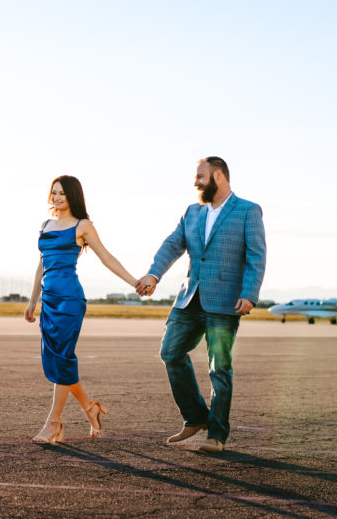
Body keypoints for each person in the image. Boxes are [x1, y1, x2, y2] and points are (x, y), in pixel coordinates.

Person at [135, 157, 266, 453]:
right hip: (189, 299)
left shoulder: (247, 210)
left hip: (226, 302)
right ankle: (195, 416)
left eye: (200, 176)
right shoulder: (192, 212)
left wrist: (250, 293)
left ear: (219, 175)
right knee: (170, 351)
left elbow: (257, 255)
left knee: (219, 367)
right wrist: (154, 274)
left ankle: (216, 435)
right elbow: (173, 245)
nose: (196, 182)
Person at [24, 175, 139, 444]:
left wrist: (134, 281)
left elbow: (106, 257)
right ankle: (91, 408)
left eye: (62, 193)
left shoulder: (83, 225)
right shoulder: (46, 224)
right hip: (49, 301)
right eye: (54, 192)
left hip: (69, 300)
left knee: (62, 358)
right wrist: (32, 301)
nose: (57, 197)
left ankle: (53, 424)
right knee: (57, 361)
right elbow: (42, 265)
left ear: (73, 195)